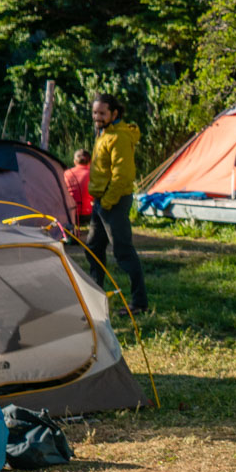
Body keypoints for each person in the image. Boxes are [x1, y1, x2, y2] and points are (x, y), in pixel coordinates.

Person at [86, 93, 148, 312]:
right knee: (93, 247)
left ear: (114, 113)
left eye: (102, 113)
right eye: (95, 112)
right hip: (101, 200)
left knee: (123, 251)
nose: (97, 116)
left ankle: (139, 302)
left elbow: (123, 175)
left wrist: (108, 202)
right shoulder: (104, 133)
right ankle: (95, 297)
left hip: (114, 201)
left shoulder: (119, 136)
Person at [63, 149, 94, 227]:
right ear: (90, 162)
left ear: (75, 161)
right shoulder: (93, 174)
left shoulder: (66, 174)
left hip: (69, 215)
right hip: (88, 215)